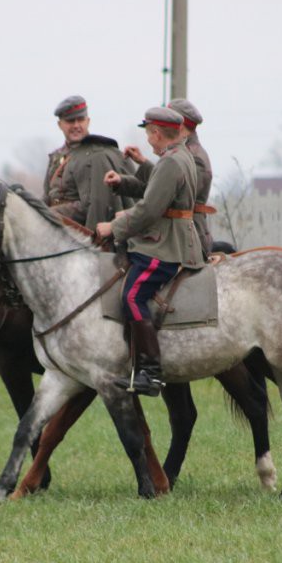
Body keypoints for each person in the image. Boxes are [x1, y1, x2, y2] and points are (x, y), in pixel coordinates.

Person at [96, 107, 203, 395]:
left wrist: (113, 228)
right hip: (167, 240)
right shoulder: (179, 156)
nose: (148, 139)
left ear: (156, 133)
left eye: (148, 134)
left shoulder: (172, 162)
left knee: (131, 296)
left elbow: (149, 209)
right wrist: (126, 179)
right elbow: (156, 186)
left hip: (163, 246)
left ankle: (151, 374)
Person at [122, 98, 216, 257]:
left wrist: (121, 221)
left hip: (185, 238)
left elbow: (165, 194)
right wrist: (124, 180)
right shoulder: (181, 153)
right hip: (174, 235)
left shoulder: (193, 157)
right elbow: (162, 187)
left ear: (183, 128)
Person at [43, 95, 133, 231]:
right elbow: (47, 196)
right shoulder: (57, 156)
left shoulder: (98, 154)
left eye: (80, 120)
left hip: (84, 235)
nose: (76, 125)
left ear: (88, 121)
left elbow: (93, 204)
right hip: (57, 230)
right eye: (70, 121)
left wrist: (51, 214)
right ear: (60, 124)